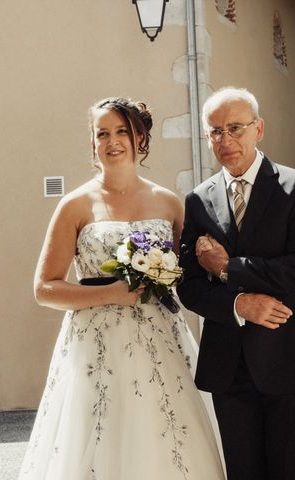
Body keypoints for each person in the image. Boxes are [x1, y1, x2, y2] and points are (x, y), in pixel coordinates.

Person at [19, 97, 224, 479]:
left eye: (121, 132)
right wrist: (111, 293)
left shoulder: (169, 203)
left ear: (139, 138)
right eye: (102, 133)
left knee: (162, 433)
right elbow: (44, 288)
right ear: (92, 143)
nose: (112, 141)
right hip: (93, 345)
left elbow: (191, 277)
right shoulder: (75, 204)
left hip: (162, 341)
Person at [177, 87, 295, 480]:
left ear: (258, 129)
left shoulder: (293, 189)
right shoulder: (197, 200)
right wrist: (238, 305)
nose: (225, 141)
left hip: (286, 358)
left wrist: (231, 268)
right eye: (215, 132)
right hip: (228, 367)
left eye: (235, 128)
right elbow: (189, 285)